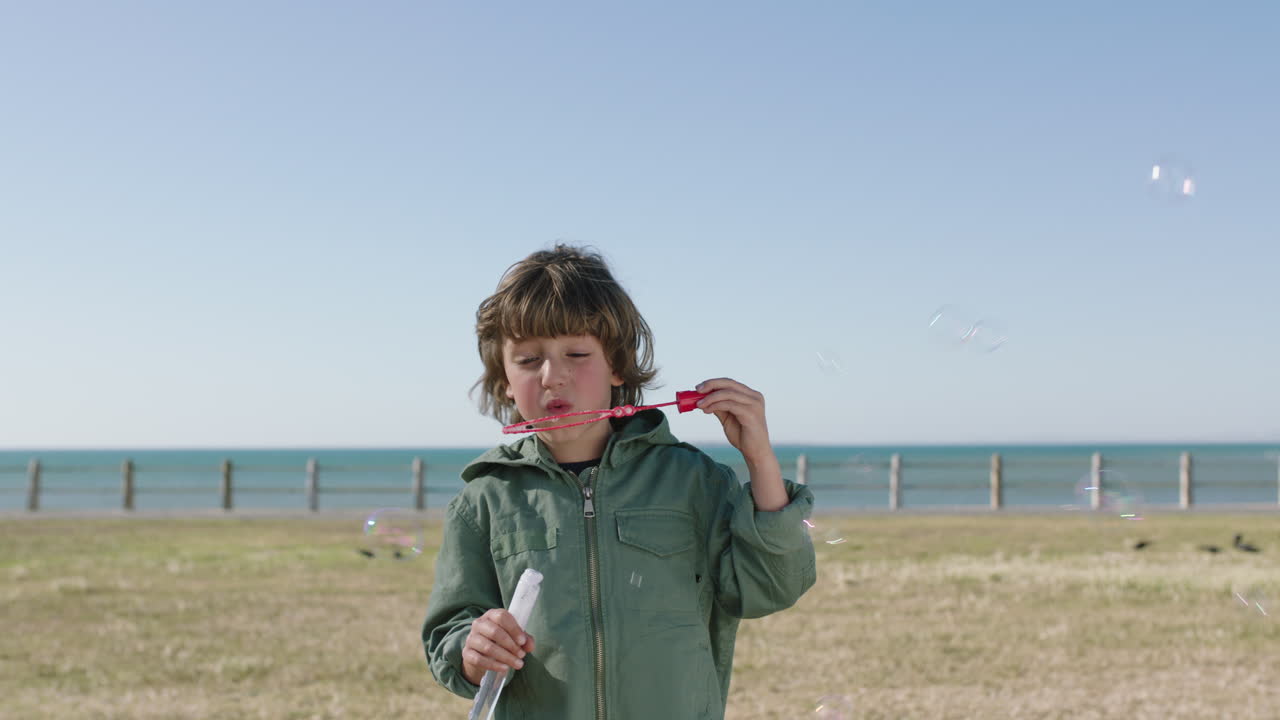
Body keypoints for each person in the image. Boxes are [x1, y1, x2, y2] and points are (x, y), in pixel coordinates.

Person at [421, 244, 816, 720]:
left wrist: (759, 458)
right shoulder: (483, 500)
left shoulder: (692, 481)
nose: (552, 376)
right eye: (527, 359)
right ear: (503, 378)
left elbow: (770, 587)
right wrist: (471, 649)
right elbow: (448, 636)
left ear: (617, 365)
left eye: (577, 353)